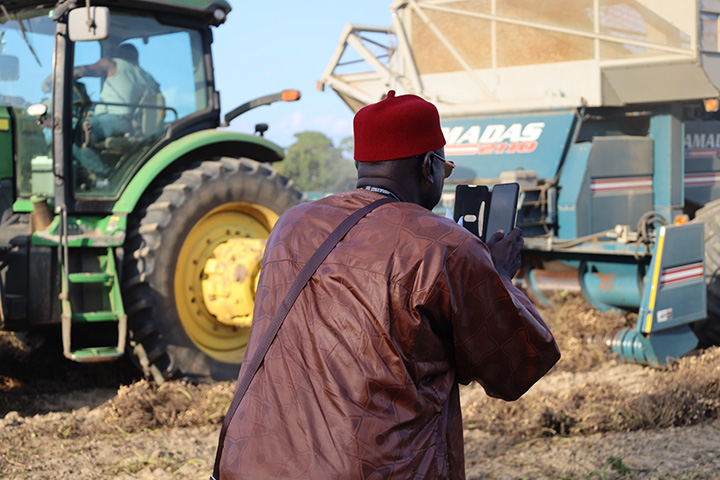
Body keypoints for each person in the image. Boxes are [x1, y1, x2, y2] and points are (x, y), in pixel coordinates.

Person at [215, 90, 561, 479]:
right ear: (428, 167)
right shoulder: (443, 245)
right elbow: (515, 368)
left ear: (362, 163)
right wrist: (497, 276)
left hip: (257, 464)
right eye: (444, 169)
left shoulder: (291, 225)